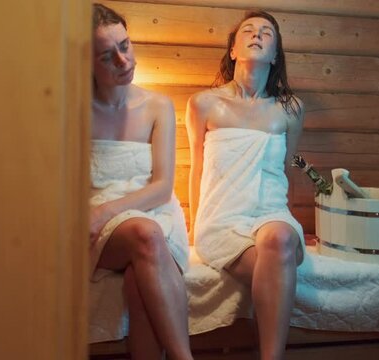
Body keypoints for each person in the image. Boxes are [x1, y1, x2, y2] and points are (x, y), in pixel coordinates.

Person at [186, 10, 305, 360]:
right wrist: (195, 229)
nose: (257, 34)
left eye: (266, 33)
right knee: (276, 258)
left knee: (280, 238)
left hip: (271, 213)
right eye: (248, 31)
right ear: (234, 50)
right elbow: (197, 168)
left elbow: (288, 170)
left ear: (275, 54)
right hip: (222, 219)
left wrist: (292, 220)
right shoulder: (204, 103)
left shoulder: (290, 109)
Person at [88, 4, 192, 360]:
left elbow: (163, 186)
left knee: (139, 279)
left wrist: (104, 212)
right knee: (145, 235)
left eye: (125, 45)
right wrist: (96, 216)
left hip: (155, 209)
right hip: (104, 227)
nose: (123, 60)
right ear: (86, 64)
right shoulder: (73, 112)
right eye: (106, 56)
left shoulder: (157, 105)